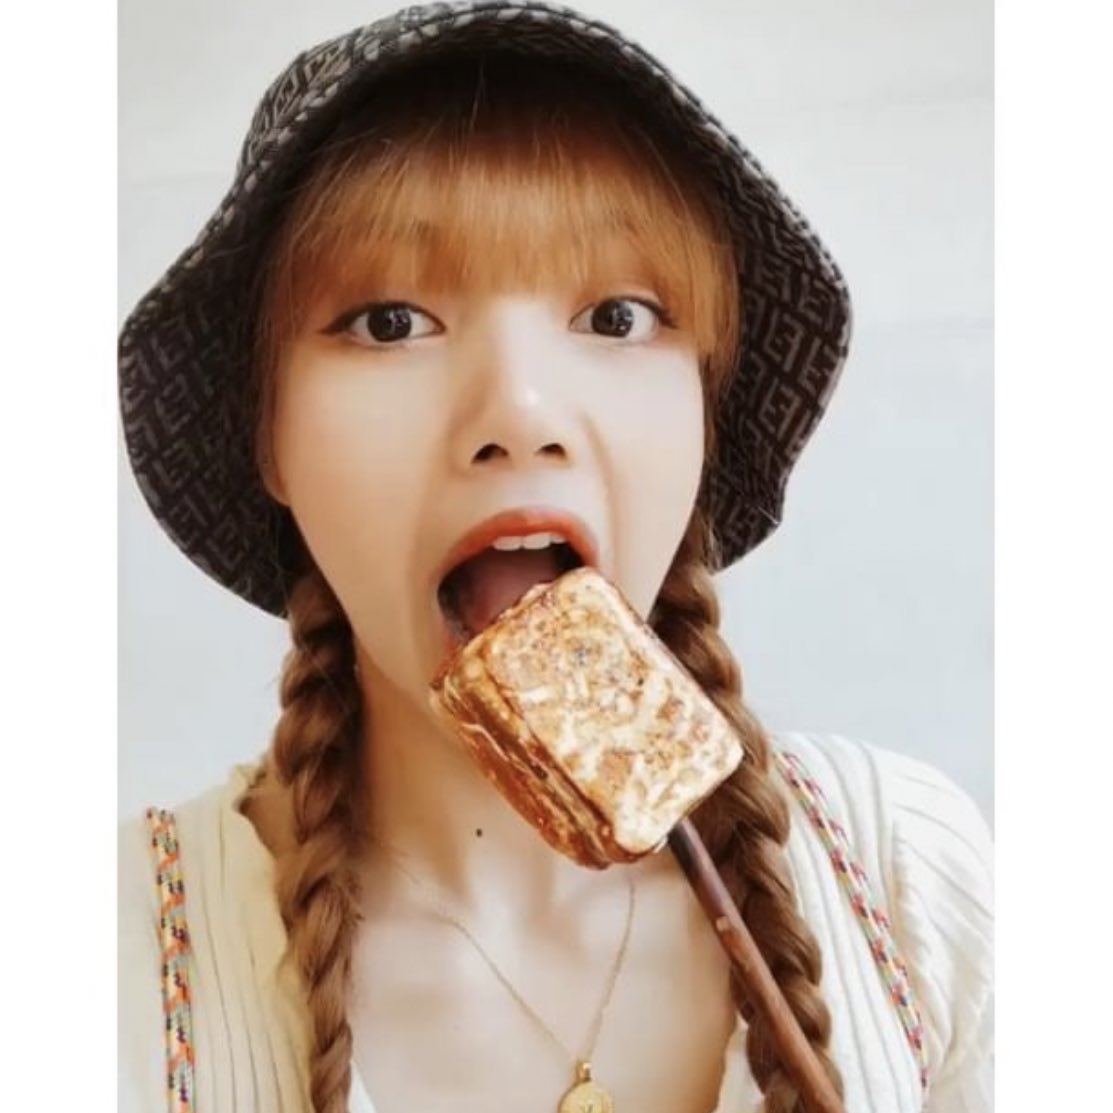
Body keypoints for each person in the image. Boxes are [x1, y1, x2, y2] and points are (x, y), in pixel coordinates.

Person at [117, 4, 993, 1112]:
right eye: (389, 321)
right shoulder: (103, 967)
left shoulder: (906, 876)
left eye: (619, 316)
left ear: (704, 414)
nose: (519, 412)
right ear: (268, 440)